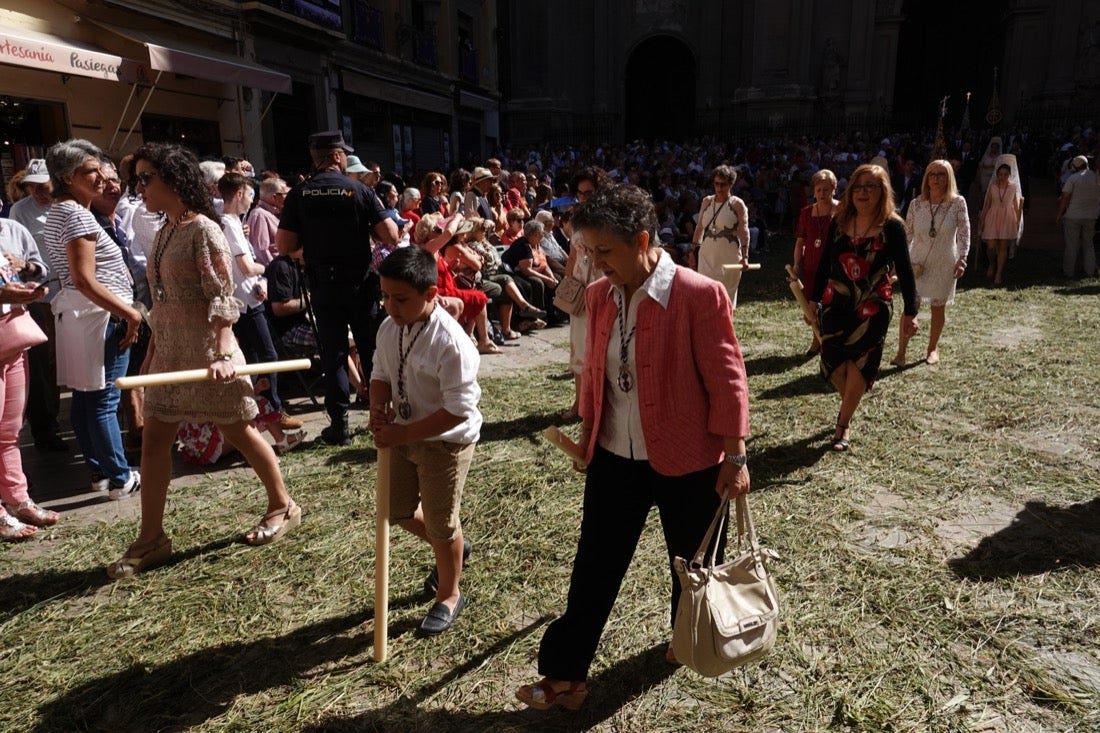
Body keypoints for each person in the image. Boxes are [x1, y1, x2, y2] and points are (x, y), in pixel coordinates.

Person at [515, 184, 750, 711]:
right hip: (614, 458)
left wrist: (735, 456)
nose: (595, 264)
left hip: (690, 459)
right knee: (594, 564)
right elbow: (595, 368)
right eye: (589, 252)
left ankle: (685, 636)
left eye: (605, 252)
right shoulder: (599, 296)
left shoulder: (696, 294)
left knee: (691, 564)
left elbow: (728, 380)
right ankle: (565, 675)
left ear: (642, 240)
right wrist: (587, 431)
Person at [106, 142, 302, 579]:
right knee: (156, 440)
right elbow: (161, 300)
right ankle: (152, 535)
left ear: (173, 180)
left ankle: (283, 504)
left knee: (242, 430)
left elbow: (222, 298)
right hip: (170, 356)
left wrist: (222, 351)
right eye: (135, 178)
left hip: (212, 356)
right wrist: (153, 354)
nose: (136, 187)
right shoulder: (163, 231)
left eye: (144, 178)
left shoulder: (204, 230)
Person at [369, 245, 482, 636]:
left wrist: (403, 432)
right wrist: (378, 408)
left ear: (431, 294)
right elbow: (380, 374)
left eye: (400, 299)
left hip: (445, 442)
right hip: (403, 435)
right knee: (395, 509)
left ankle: (449, 594)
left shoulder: (452, 343)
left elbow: (458, 410)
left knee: (440, 521)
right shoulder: (389, 329)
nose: (389, 306)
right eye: (384, 296)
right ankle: (452, 548)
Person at [276, 130, 399, 445]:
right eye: (343, 154)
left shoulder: (300, 193)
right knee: (370, 350)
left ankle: (339, 425)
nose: (345, 158)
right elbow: (390, 235)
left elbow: (284, 244)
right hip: (359, 282)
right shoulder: (359, 190)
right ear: (334, 156)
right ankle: (381, 416)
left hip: (324, 284)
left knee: (333, 354)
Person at [43, 140, 143, 499]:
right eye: (91, 172)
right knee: (102, 401)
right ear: (68, 177)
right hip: (100, 316)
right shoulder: (77, 214)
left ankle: (102, 472)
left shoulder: (64, 211)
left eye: (101, 170)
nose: (101, 178)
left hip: (84, 314)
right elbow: (84, 278)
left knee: (87, 398)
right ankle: (119, 476)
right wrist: (129, 312)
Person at [809, 164, 918, 451]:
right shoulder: (839, 221)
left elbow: (905, 272)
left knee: (860, 362)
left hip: (873, 305)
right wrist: (813, 298)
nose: (863, 192)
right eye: (858, 187)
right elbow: (823, 264)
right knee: (831, 362)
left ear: (882, 192)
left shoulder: (893, 227)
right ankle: (851, 402)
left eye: (870, 186)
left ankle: (842, 425)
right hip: (836, 302)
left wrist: (911, 311)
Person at [218, 173, 302, 435]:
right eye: (250, 195)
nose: (252, 201)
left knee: (258, 358)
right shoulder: (228, 223)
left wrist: (261, 279)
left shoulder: (235, 222)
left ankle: (263, 414)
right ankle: (272, 412)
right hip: (243, 303)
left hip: (250, 297)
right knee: (267, 357)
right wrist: (265, 268)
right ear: (240, 194)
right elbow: (245, 265)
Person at [0, 222, 58, 538]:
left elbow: (37, 268)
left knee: (10, 429)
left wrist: (28, 281)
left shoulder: (10, 230)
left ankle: (18, 499)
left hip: (14, 332)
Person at [893, 160, 970, 366]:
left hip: (944, 261)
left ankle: (933, 348)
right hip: (917, 262)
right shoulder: (916, 204)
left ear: (949, 178)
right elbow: (907, 234)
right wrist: (899, 261)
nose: (936, 178)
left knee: (938, 307)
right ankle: (901, 352)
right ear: (926, 178)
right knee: (911, 306)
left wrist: (962, 259)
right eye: (932, 174)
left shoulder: (958, 203)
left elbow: (964, 233)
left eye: (941, 174)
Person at [792, 169, 839, 355]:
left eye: (826, 190)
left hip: (833, 266)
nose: (822, 194)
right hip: (811, 265)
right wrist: (797, 265)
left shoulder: (841, 211)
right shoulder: (806, 213)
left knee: (831, 304)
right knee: (812, 306)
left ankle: (831, 341)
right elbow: (800, 242)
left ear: (834, 189)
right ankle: (817, 340)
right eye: (819, 190)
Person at [692, 165, 750, 312]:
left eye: (722, 184)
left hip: (728, 257)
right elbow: (699, 227)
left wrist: (745, 256)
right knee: (705, 296)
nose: (718, 188)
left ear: (731, 184)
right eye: (716, 184)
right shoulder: (706, 202)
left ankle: (725, 332)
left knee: (725, 300)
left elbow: (744, 230)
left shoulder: (737, 204)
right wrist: (693, 252)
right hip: (707, 256)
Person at [979, 156, 1024, 286]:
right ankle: (992, 264)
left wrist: (1017, 221)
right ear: (997, 174)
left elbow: (1016, 205)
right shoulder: (992, 186)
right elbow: (987, 204)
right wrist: (982, 220)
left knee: (1003, 246)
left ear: (1009, 174)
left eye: (1005, 174)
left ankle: (998, 273)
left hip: (1007, 217)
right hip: (993, 215)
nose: (1002, 176)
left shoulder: (1013, 187)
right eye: (1000, 174)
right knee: (991, 246)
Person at [1056, 155, 1099, 278]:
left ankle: (1068, 272)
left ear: (1075, 166)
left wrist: (1059, 214)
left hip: (1073, 216)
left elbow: (1065, 197)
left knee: (1071, 245)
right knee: (1089, 244)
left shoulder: (1073, 178)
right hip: (1091, 216)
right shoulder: (1096, 177)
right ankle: (1090, 271)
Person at [246, 176, 290, 266]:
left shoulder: (276, 213)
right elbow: (261, 250)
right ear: (274, 197)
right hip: (275, 272)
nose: (289, 197)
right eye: (286, 194)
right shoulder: (259, 215)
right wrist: (274, 271)